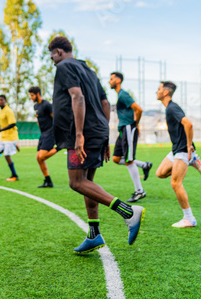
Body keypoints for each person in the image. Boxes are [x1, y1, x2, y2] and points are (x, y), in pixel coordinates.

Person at [49, 36, 144, 254]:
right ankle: (94, 234)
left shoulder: (64, 66)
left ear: (60, 52)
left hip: (82, 132)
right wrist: (104, 134)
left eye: (52, 54)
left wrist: (80, 134)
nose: (52, 59)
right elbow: (105, 103)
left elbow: (77, 97)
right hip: (98, 130)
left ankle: (128, 212)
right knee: (88, 183)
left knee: (76, 182)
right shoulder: (88, 70)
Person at [155, 81, 201, 228]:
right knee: (160, 173)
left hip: (183, 149)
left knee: (176, 183)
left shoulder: (172, 108)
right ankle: (193, 160)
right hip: (176, 149)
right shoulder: (169, 108)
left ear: (165, 92)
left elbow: (188, 124)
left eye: (158, 89)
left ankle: (189, 218)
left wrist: (189, 146)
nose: (156, 92)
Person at [108, 72, 153, 202]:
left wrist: (135, 124)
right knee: (116, 159)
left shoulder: (123, 94)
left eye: (111, 79)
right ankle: (144, 165)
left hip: (128, 128)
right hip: (123, 129)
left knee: (129, 160)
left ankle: (140, 191)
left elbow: (138, 109)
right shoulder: (119, 96)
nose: (109, 81)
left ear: (118, 80)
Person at [28, 86, 57, 188]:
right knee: (38, 158)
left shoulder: (47, 105)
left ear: (38, 94)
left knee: (42, 156)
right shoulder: (36, 106)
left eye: (32, 95)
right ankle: (48, 181)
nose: (31, 98)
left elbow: (55, 118)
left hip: (50, 133)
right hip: (43, 134)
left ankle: (60, 147)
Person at [0, 95, 19, 181]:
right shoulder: (1, 111)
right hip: (3, 136)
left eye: (1, 100)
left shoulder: (8, 111)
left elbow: (13, 124)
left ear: (5, 100)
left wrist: (0, 130)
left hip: (10, 136)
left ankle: (14, 175)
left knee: (7, 156)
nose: (0, 101)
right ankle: (14, 145)